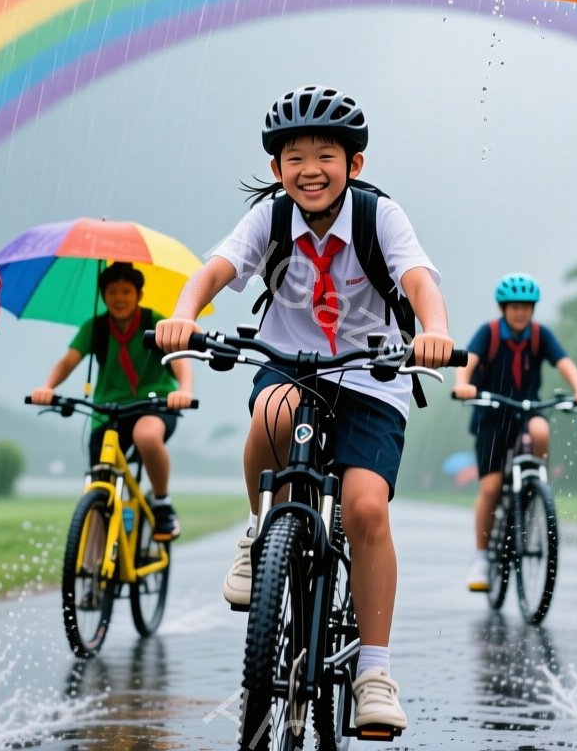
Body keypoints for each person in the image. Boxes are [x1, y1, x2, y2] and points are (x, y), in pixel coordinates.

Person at [154, 84, 455, 732]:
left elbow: (418, 280)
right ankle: (260, 527)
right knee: (276, 409)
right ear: (275, 169)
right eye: (295, 157)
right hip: (290, 362)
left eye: (326, 154)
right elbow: (216, 267)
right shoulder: (271, 219)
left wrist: (433, 327)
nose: (310, 169)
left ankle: (374, 672)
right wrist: (183, 313)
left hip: (373, 376)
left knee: (366, 507)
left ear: (356, 164)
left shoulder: (381, 217)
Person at [451, 273, 577, 591]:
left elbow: (564, 362)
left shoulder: (539, 335)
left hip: (527, 411)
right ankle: (481, 560)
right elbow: (469, 362)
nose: (521, 312)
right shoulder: (488, 334)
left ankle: (532, 488)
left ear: (533, 309)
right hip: (491, 415)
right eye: (515, 307)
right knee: (490, 488)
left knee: (541, 429)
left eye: (527, 307)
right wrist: (462, 385)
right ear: (504, 308)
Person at [29, 261, 195, 539]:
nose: (119, 298)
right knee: (98, 485)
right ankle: (92, 567)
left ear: (139, 294)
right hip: (108, 410)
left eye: (126, 291)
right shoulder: (95, 327)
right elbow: (68, 361)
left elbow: (180, 362)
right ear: (103, 296)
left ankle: (162, 503)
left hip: (154, 403)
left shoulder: (155, 321)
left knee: (147, 436)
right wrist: (47, 387)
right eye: (112, 292)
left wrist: (185, 390)